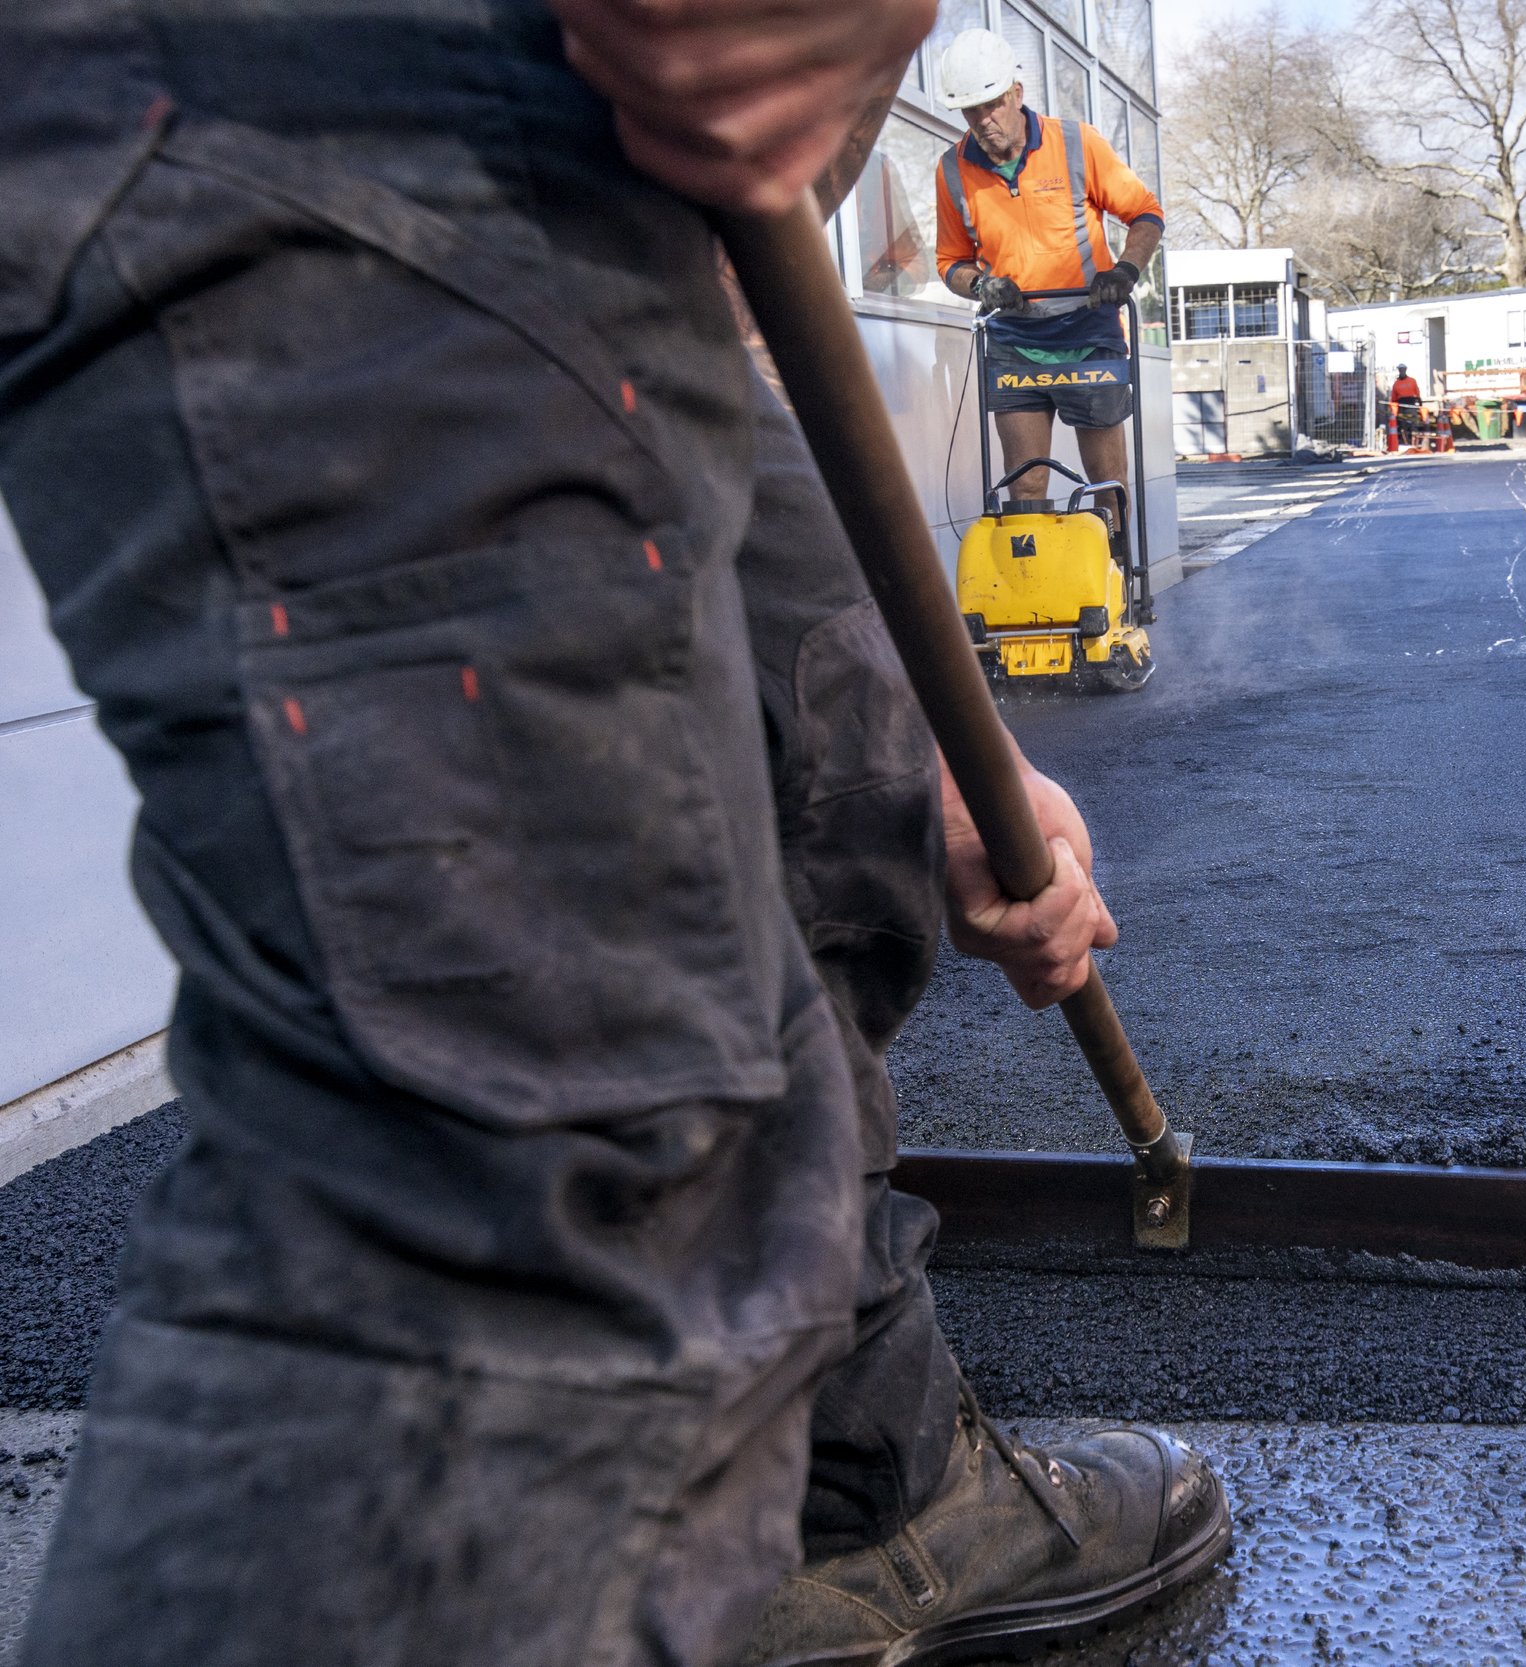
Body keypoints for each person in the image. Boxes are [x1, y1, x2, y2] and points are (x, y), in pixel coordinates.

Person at [0, 3, 1226, 1666]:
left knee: (835, 772)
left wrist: (954, 749)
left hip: (570, 176)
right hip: (320, 95)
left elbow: (731, 247)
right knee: (556, 1135)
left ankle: (854, 1491)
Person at [932, 28, 1162, 541]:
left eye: (991, 105)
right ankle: (1040, 603)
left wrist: (1124, 271)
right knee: (1027, 481)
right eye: (970, 112)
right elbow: (950, 262)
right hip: (1016, 341)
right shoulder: (952, 170)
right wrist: (981, 287)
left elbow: (1145, 212)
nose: (983, 121)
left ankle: (1115, 583)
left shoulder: (1077, 143)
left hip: (1090, 334)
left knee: (1108, 483)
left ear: (1016, 92)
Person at [1387, 361, 1424, 448]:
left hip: (1411, 403)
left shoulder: (1412, 381)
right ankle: (1406, 442)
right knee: (1403, 424)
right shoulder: (1396, 384)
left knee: (1413, 423)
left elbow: (1417, 392)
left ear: (1405, 370)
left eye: (1403, 369)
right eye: (1400, 370)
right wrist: (1392, 407)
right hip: (1401, 404)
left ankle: (1414, 442)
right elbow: (1394, 398)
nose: (1402, 371)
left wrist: (1419, 402)